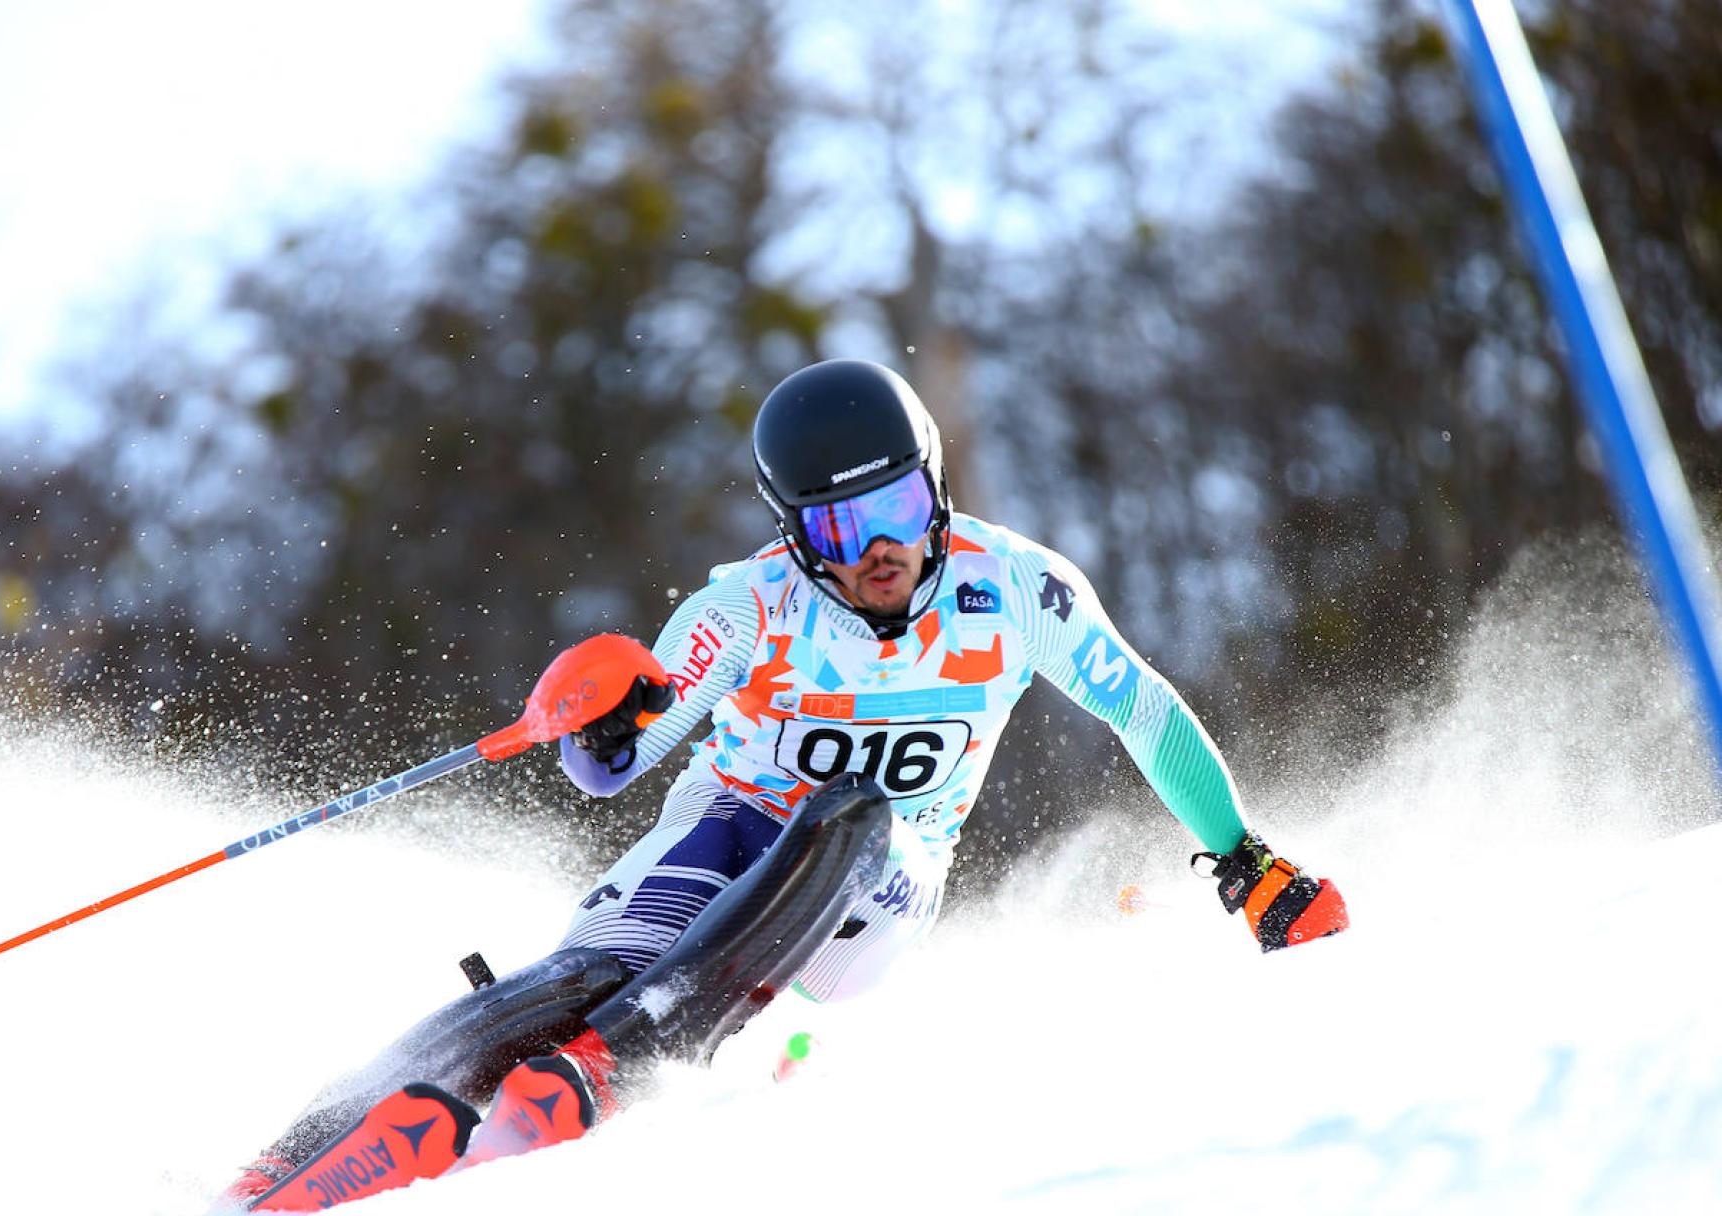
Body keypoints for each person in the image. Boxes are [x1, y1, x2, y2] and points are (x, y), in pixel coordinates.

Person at [222, 359, 1348, 1210]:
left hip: (876, 894)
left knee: (849, 812)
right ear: (795, 533)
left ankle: (608, 1063)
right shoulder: (752, 604)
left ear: (933, 490)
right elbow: (627, 754)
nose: (877, 551)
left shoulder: (1017, 590)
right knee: (585, 968)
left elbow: (1142, 710)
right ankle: (288, 1163)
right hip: (724, 833)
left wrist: (1243, 862)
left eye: (896, 510)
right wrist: (594, 717)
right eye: (839, 527)